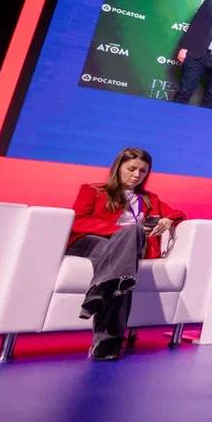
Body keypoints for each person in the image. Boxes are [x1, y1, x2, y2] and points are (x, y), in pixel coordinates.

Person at [66, 147, 185, 360]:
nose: (137, 175)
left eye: (143, 171)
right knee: (128, 249)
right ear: (118, 167)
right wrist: (121, 231)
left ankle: (100, 293)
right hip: (91, 242)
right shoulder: (93, 190)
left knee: (120, 272)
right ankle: (108, 343)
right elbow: (78, 221)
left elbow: (179, 213)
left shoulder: (150, 199)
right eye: (131, 169)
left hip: (128, 249)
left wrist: (169, 219)